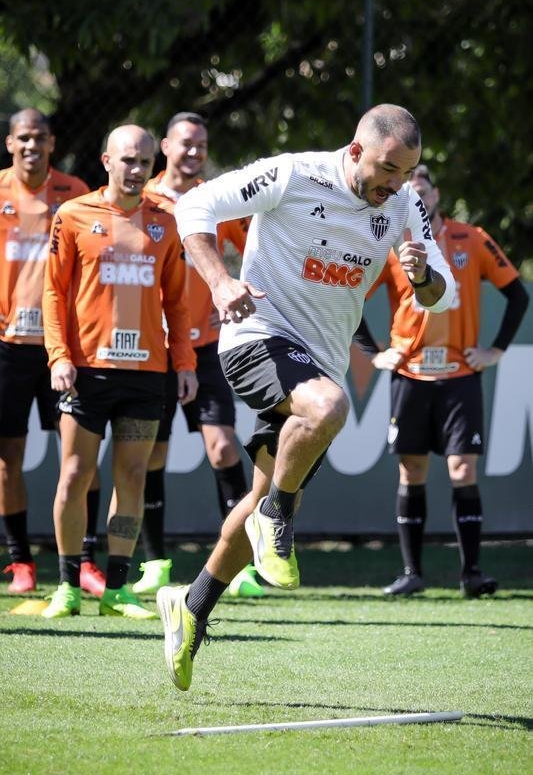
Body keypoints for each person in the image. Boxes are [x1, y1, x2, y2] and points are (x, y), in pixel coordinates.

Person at [155, 103, 456, 691]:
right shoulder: (295, 173)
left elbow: (439, 295)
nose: (395, 183)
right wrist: (221, 281)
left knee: (259, 495)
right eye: (387, 168)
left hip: (316, 362)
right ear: (354, 151)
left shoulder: (402, 204)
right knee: (330, 408)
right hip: (255, 336)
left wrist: (422, 276)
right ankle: (281, 517)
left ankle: (192, 605)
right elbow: (196, 206)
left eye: (407, 172)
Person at [41, 124, 197, 619]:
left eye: (145, 163)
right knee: (74, 475)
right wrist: (58, 355)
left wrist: (185, 363)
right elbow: (54, 292)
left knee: (131, 476)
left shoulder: (167, 221)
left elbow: (176, 298)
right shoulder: (72, 214)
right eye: (127, 160)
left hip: (148, 373)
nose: (136, 170)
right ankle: (66, 586)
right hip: (86, 370)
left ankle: (117, 589)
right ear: (106, 160)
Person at [354, 164, 529, 597]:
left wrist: (496, 350)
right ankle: (412, 573)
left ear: (434, 196)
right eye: (408, 190)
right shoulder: (388, 244)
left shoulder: (472, 238)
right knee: (411, 470)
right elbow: (350, 293)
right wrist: (375, 354)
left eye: (424, 189)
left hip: (460, 376)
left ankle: (471, 573)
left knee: (461, 468)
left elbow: (517, 294)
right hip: (410, 375)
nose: (417, 196)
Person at [134, 112, 262, 598]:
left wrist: (228, 293)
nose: (193, 152)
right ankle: (155, 563)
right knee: (151, 454)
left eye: (201, 145)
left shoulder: (217, 200)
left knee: (225, 448)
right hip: (154, 348)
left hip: (207, 347)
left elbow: (256, 253)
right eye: (185, 143)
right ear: (165, 146)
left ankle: (241, 566)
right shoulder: (141, 198)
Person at [0, 108, 104, 597]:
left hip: (64, 346)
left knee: (79, 459)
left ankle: (85, 561)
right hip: (8, 346)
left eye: (39, 139)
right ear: (9, 143)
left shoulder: (75, 191)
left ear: (51, 143)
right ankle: (20, 563)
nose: (31, 146)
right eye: (23, 138)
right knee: (7, 457)